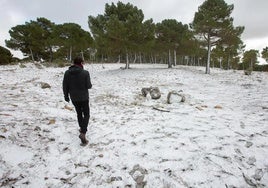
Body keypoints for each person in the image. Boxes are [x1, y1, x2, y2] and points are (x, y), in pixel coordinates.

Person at [63, 57, 92, 145]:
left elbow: (65, 85)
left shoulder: (67, 73)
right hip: (84, 97)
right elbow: (89, 86)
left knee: (79, 113)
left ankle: (81, 128)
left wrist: (66, 95)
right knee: (86, 114)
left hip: (74, 97)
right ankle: (83, 132)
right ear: (81, 63)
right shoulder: (85, 73)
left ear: (73, 63)